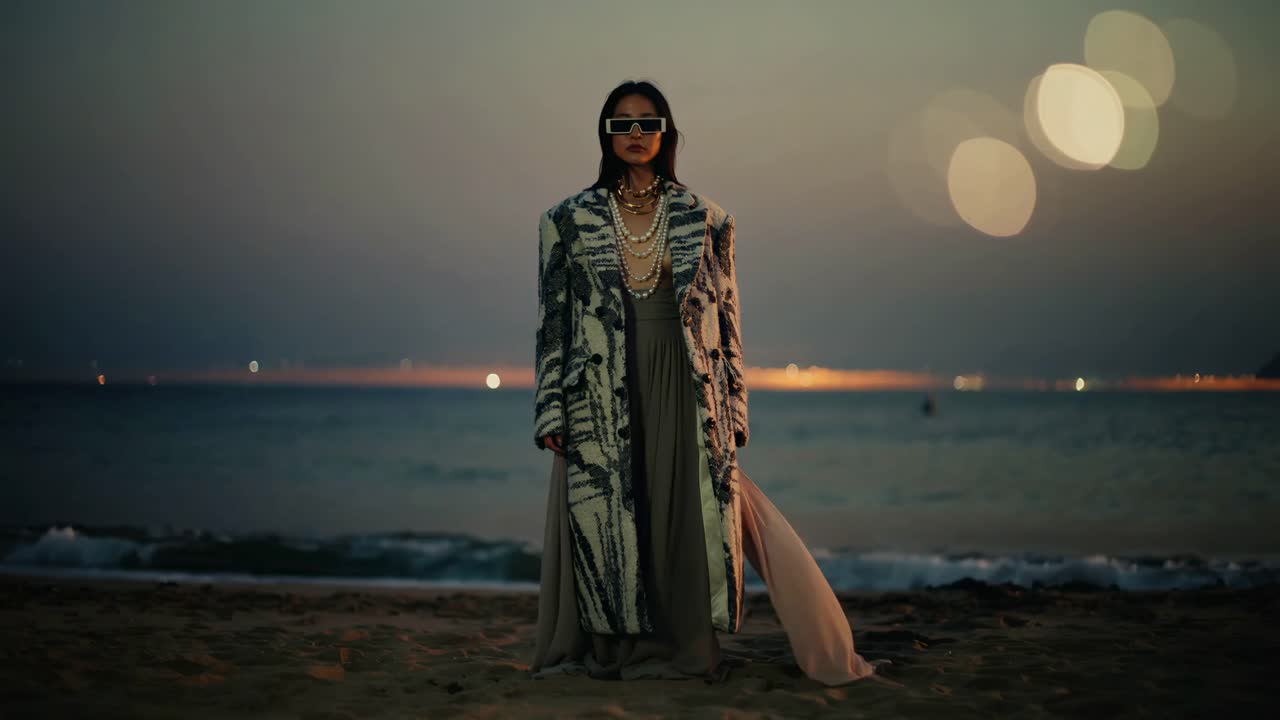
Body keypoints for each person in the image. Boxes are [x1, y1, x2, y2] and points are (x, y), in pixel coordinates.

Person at [528, 80, 888, 685]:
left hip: (688, 384)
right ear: (605, 134)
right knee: (614, 522)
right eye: (622, 124)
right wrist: (551, 412)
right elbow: (551, 325)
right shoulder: (565, 220)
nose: (635, 134)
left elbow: (729, 322)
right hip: (600, 387)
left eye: (647, 122)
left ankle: (686, 647)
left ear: (667, 131)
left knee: (683, 514)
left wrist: (737, 412)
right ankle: (616, 651)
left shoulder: (710, 219)